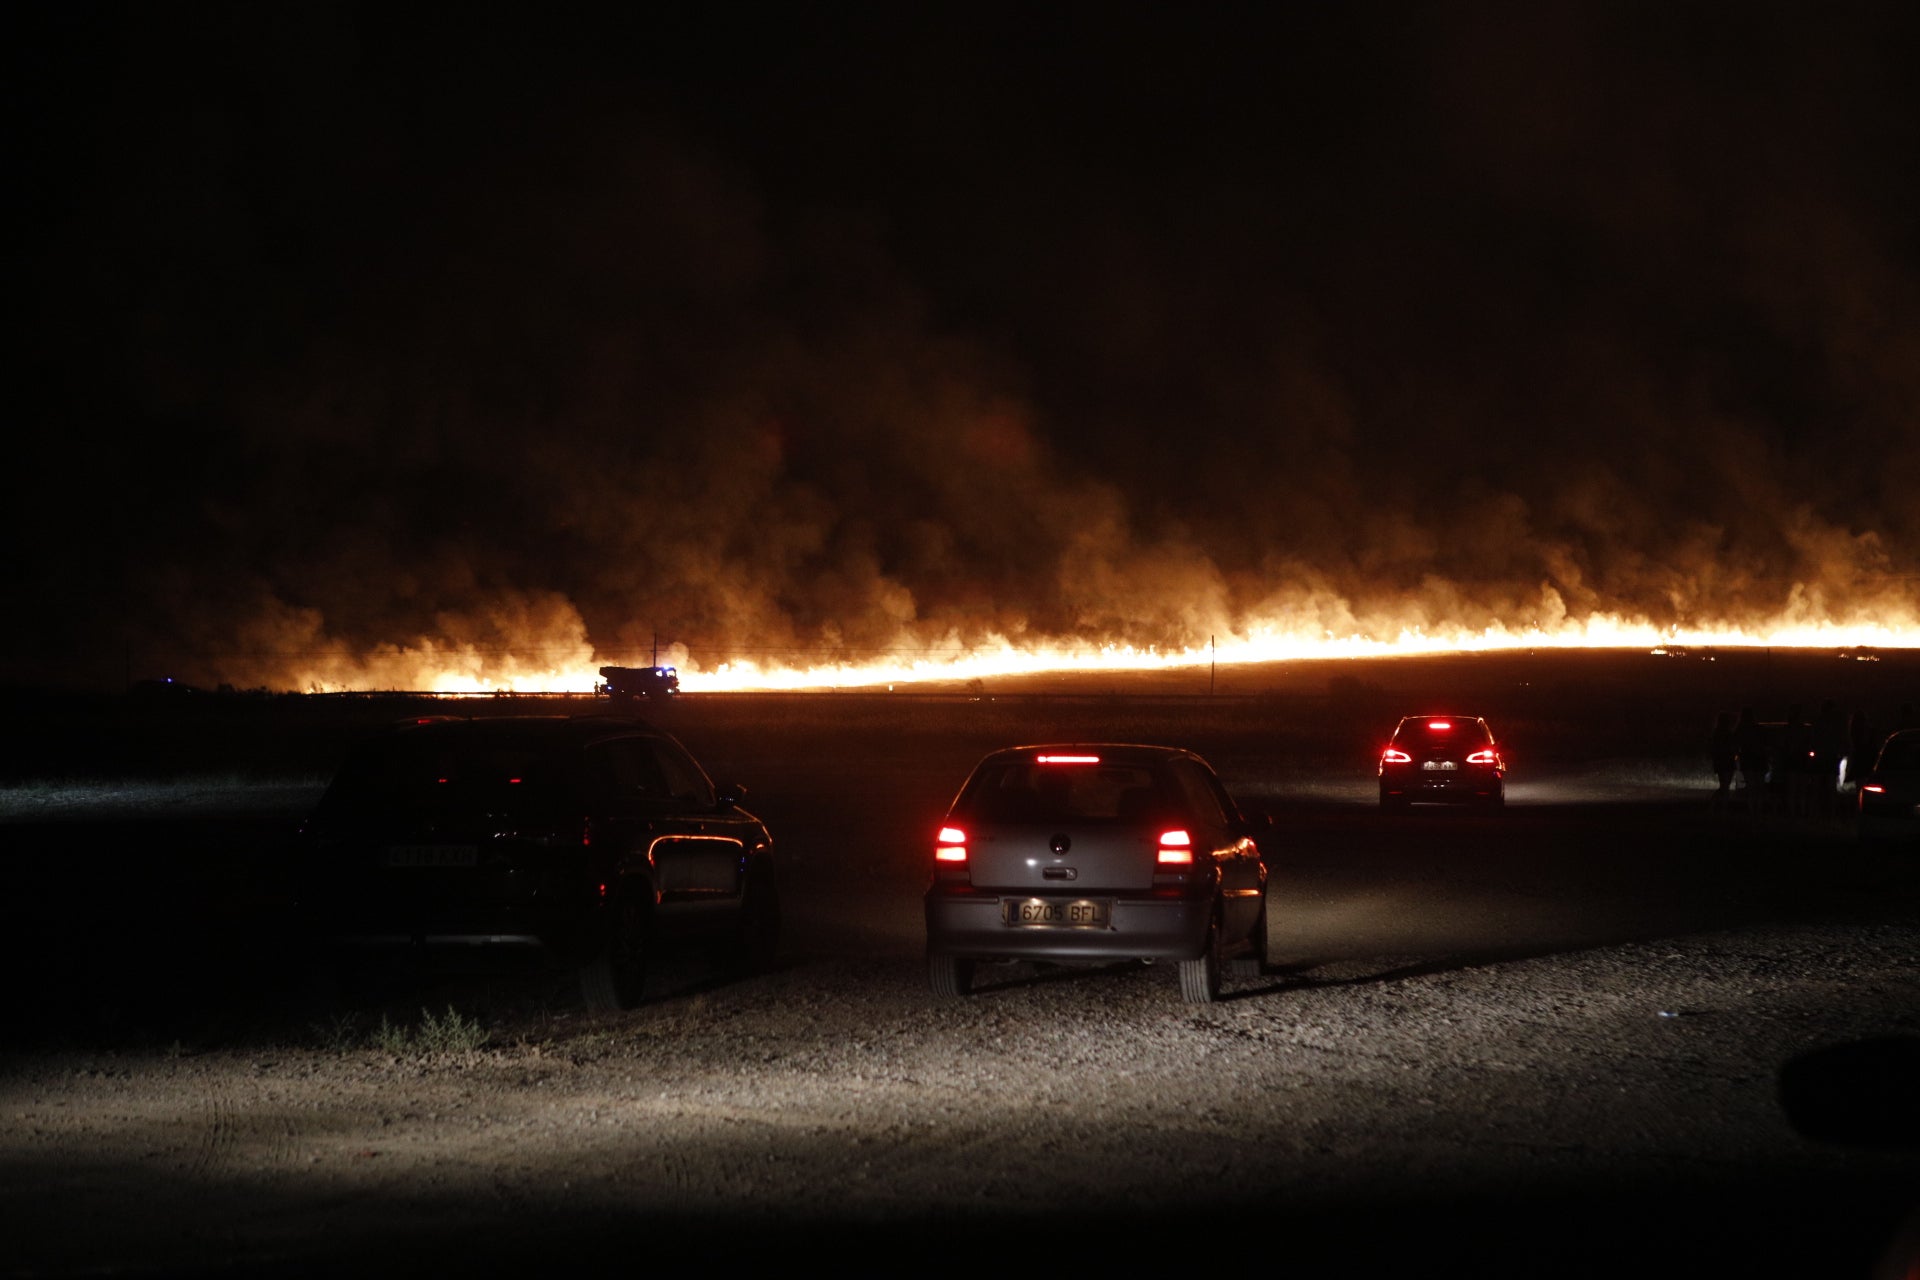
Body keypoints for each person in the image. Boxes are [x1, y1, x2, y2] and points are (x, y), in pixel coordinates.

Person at [1736, 708, 1768, 816]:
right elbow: (1766, 744)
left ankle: (1751, 811)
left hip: (1747, 759)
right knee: (1759, 787)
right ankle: (1758, 810)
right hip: (1759, 759)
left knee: (1751, 787)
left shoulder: (1740, 729)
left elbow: (1736, 744)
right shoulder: (1759, 729)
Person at [1710, 712, 1737, 811]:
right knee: (1726, 786)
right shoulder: (1729, 733)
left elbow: (1713, 749)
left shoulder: (1716, 733)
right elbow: (1733, 748)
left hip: (1720, 763)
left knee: (1724, 786)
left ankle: (1718, 804)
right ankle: (1722, 806)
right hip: (1728, 762)